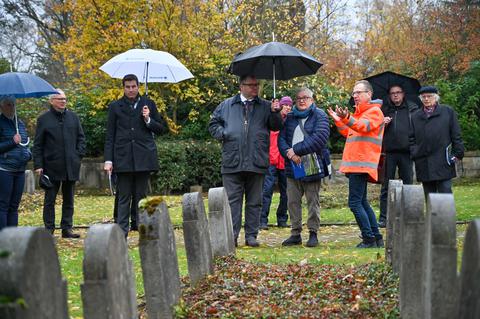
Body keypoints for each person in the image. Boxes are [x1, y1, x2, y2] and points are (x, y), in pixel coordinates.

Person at [209, 75, 283, 247]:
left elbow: (276, 126)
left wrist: (275, 112)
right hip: (232, 160)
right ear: (241, 86)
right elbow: (213, 124)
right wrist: (224, 134)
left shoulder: (266, 106)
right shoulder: (226, 105)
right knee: (232, 202)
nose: (255, 88)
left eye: (257, 85)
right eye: (251, 85)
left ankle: (251, 236)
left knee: (255, 201)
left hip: (257, 160)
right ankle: (232, 235)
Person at [104, 74, 168, 237]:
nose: (131, 90)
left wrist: (148, 119)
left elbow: (161, 129)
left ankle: (143, 230)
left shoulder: (149, 104)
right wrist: (108, 160)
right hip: (123, 157)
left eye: (133, 86)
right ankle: (121, 233)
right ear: (123, 87)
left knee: (141, 196)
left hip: (143, 157)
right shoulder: (115, 107)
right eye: (128, 87)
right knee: (123, 197)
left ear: (138, 86)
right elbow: (110, 135)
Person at [327, 80, 384, 248]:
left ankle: (369, 239)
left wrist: (347, 117)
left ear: (369, 94)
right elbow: (348, 131)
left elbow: (362, 127)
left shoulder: (374, 112)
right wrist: (339, 120)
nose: (355, 96)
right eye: (354, 93)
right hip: (357, 163)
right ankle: (376, 237)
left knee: (354, 203)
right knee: (362, 202)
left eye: (359, 92)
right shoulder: (360, 112)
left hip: (361, 163)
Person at [278, 87, 330, 247]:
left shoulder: (320, 115)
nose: (301, 100)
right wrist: (290, 153)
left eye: (305, 97)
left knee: (312, 201)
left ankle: (313, 233)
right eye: (298, 98)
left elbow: (319, 138)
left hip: (312, 164)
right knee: (292, 201)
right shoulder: (290, 117)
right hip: (292, 165)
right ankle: (295, 233)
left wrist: (297, 150)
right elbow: (281, 139)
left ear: (312, 100)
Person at [33, 89, 86, 238]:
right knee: (50, 200)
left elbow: (81, 138)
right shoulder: (43, 119)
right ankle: (49, 228)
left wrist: (78, 155)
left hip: (71, 165)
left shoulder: (73, 117)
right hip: (51, 166)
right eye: (59, 98)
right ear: (52, 101)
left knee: (69, 199)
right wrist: (38, 165)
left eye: (65, 98)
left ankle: (66, 228)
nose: (63, 101)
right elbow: (38, 144)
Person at [409, 86, 464, 197]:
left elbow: (456, 134)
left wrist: (457, 154)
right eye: (423, 97)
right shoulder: (415, 116)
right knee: (429, 196)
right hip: (423, 161)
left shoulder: (447, 112)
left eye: (429, 96)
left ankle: (446, 215)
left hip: (443, 160)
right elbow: (411, 138)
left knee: (445, 195)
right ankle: (432, 215)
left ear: (436, 97)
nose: (426, 99)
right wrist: (415, 152)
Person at [378, 84, 419, 228]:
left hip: (406, 152)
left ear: (403, 94)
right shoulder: (384, 110)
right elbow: (375, 130)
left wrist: (414, 147)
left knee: (408, 185)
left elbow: (418, 129)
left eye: (398, 92)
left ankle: (408, 216)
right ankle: (383, 218)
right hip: (389, 152)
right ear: (389, 95)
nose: (395, 95)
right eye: (392, 93)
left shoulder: (412, 109)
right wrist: (383, 124)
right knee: (386, 186)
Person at [259, 96, 292, 230]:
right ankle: (262, 220)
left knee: (287, 192)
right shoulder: (272, 118)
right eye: (286, 105)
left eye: (290, 105)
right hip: (271, 160)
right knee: (266, 190)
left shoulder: (291, 121)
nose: (288, 107)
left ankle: (282, 218)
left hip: (285, 160)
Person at [0, 96, 31, 230]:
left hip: (20, 170)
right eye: (8, 105)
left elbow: (25, 143)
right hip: (4, 169)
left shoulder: (20, 124)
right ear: (1, 107)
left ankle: (13, 236)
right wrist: (12, 142)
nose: (11, 107)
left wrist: (28, 154)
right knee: (3, 205)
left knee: (14, 205)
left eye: (13, 104)